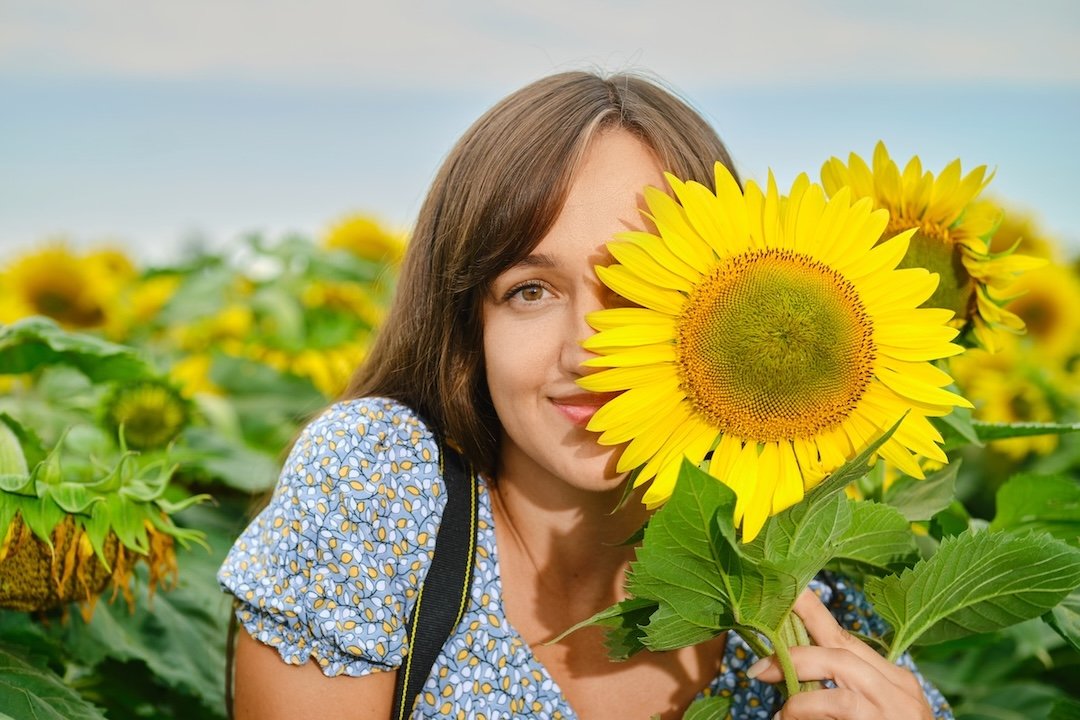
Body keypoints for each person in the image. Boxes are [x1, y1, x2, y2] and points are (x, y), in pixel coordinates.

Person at [217, 71, 951, 720]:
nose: (589, 353)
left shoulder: (802, 582)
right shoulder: (379, 484)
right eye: (530, 291)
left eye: (636, 289)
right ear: (467, 320)